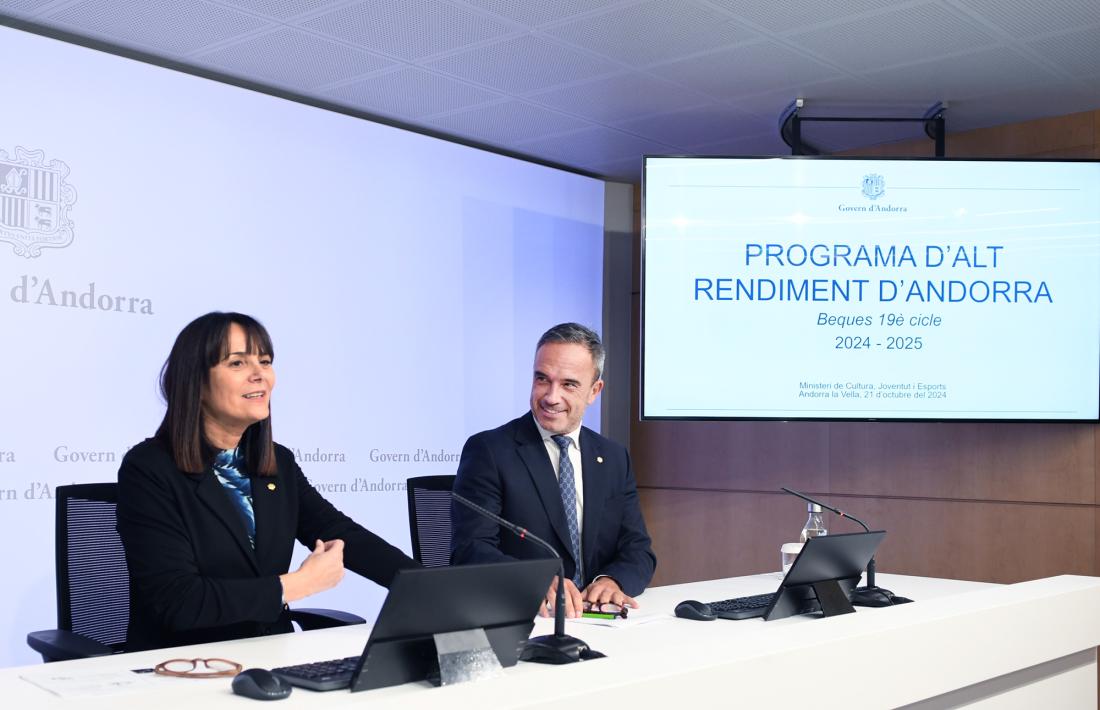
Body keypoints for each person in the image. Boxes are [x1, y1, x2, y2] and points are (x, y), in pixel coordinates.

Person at [117, 312, 417, 652]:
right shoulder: (149, 469)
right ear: (196, 382)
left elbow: (340, 532)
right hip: (184, 665)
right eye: (237, 363)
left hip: (269, 657)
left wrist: (428, 586)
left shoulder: (277, 463)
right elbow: (180, 601)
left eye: (265, 361)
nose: (260, 374)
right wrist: (296, 585)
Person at [451, 323, 655, 618]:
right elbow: (469, 550)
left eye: (569, 384)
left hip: (598, 622)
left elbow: (638, 550)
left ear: (594, 391)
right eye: (542, 379)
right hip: (526, 619)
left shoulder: (612, 457)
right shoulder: (490, 451)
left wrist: (610, 581)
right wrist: (531, 580)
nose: (551, 396)